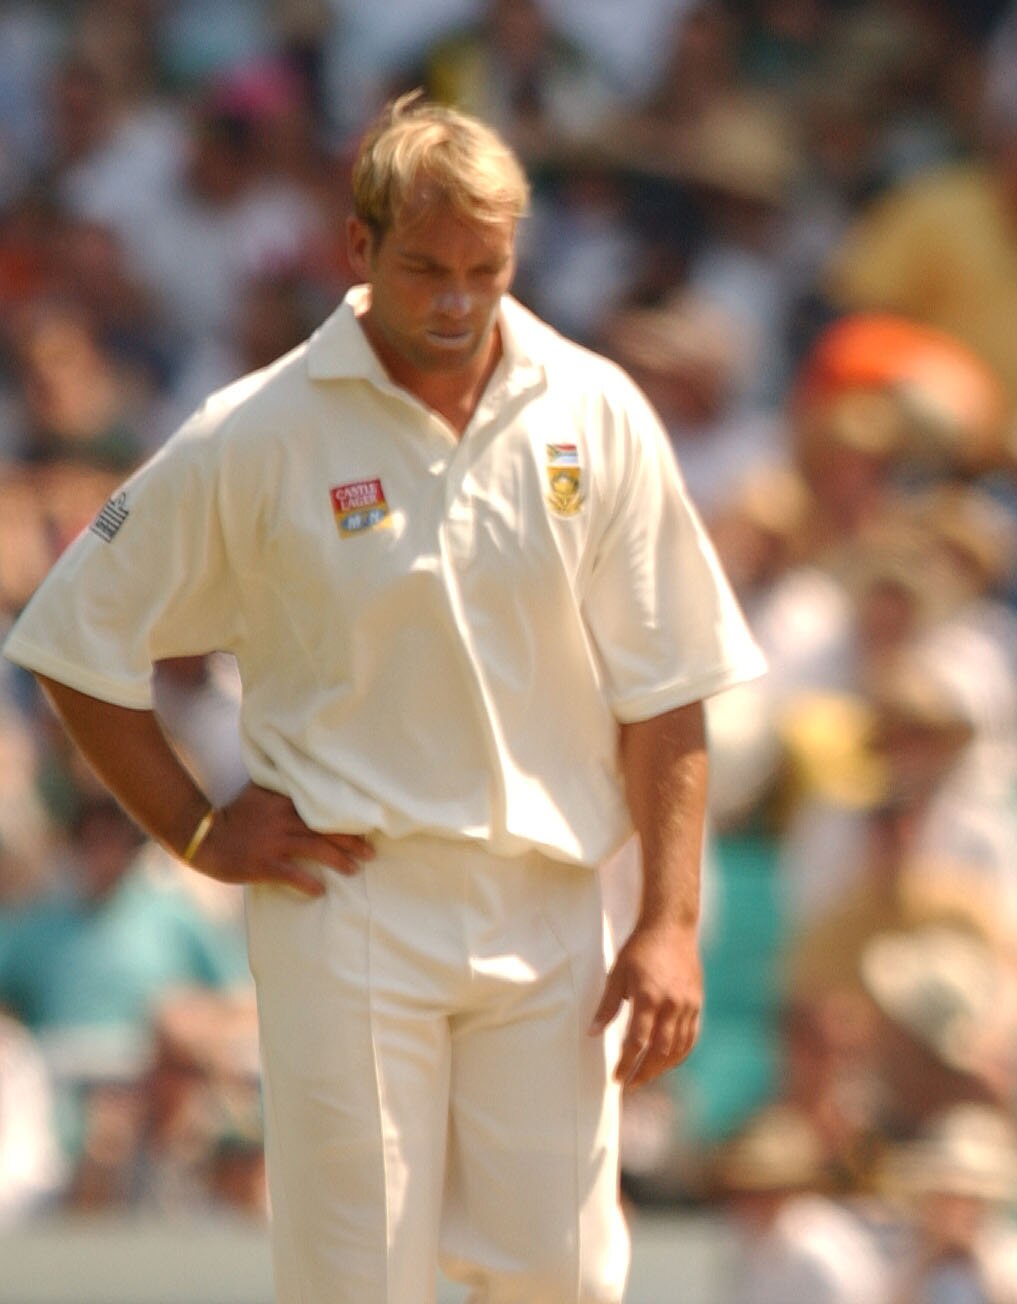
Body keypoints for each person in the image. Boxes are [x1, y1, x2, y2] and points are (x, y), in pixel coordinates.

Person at [1, 94, 764, 1303]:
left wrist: (668, 921)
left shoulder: (595, 406)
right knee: (358, 1282)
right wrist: (197, 830)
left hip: (550, 903)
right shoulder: (255, 428)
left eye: (485, 269)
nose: (458, 301)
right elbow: (71, 637)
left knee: (565, 1275)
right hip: (344, 896)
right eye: (426, 268)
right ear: (358, 248)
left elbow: (669, 684)